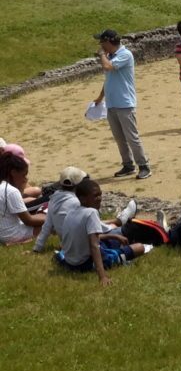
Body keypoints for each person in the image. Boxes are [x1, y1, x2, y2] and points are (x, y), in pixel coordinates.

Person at [56, 179, 153, 287]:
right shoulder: (91, 213)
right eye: (95, 196)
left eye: (100, 195)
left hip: (70, 261)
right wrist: (102, 276)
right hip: (85, 264)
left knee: (115, 240)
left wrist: (113, 236)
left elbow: (87, 237)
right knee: (140, 247)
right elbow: (94, 246)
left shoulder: (71, 212)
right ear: (82, 199)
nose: (99, 199)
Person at [92, 29, 151, 179]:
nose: (100, 45)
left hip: (125, 103)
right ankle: (128, 165)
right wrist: (100, 97)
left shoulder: (125, 54)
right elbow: (108, 80)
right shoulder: (111, 56)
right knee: (119, 137)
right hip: (112, 103)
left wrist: (101, 55)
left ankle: (143, 165)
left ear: (109, 41)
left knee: (132, 137)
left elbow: (107, 67)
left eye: (102, 42)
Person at [34, 167, 135, 253]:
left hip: (67, 243)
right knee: (127, 230)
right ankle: (120, 222)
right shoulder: (77, 202)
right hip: (83, 242)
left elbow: (46, 227)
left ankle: (119, 220)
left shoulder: (53, 200)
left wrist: (37, 248)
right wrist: (111, 228)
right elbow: (95, 227)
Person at [0, 150, 45, 245]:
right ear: (13, 173)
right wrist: (51, 219)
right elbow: (29, 220)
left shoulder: (3, 187)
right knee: (50, 226)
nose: (25, 179)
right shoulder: (11, 191)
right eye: (23, 175)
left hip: (3, 233)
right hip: (12, 235)